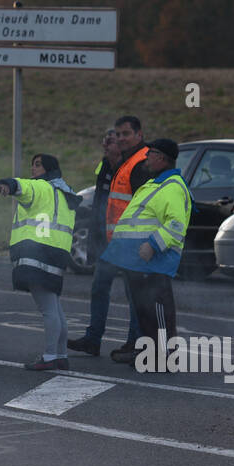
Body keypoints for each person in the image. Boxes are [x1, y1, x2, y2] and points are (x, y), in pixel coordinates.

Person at [103, 139, 193, 366]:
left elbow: (176, 224)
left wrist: (153, 244)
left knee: (159, 311)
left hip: (154, 259)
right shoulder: (155, 184)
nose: (146, 157)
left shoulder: (172, 186)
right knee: (145, 311)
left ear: (162, 157)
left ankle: (165, 357)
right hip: (137, 260)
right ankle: (148, 354)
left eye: (150, 153)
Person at [69, 115, 152, 360]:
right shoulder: (108, 165)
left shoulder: (137, 164)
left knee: (133, 293)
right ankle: (93, 339)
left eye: (112, 140)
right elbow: (102, 206)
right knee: (99, 287)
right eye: (108, 140)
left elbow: (141, 205)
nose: (107, 144)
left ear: (136, 135)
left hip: (129, 242)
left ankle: (134, 343)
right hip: (110, 241)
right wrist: (95, 241)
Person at [0, 153, 81, 371]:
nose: (32, 169)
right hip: (56, 254)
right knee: (55, 308)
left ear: (48, 169)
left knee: (48, 309)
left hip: (36, 254)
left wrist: (7, 184)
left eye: (37, 165)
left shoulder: (42, 187)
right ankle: (60, 354)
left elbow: (22, 186)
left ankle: (51, 355)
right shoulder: (64, 193)